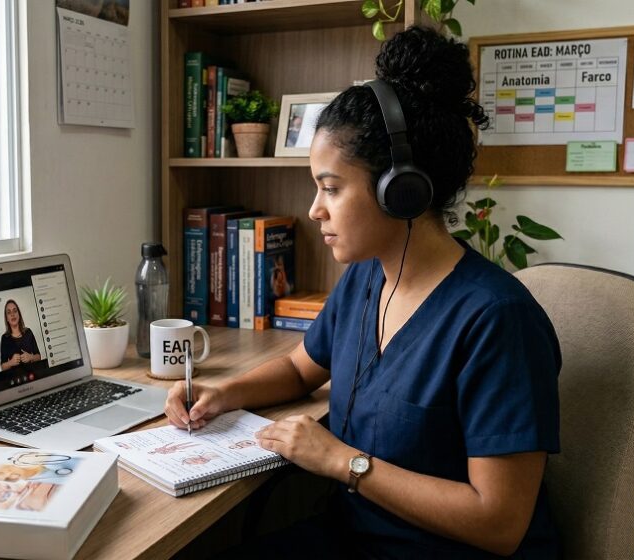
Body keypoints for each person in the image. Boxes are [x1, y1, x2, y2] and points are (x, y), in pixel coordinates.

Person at [164, 26, 560, 559]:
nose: (314, 210)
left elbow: (499, 521)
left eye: (330, 188)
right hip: (354, 537)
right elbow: (302, 369)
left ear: (401, 189)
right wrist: (224, 393)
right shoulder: (366, 277)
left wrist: (343, 462)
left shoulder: (497, 319)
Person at [0, 300, 42, 371]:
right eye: (9, 312)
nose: (12, 314)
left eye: (15, 311)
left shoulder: (28, 332)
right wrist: (11, 362)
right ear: (7, 318)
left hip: (31, 375)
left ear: (19, 314)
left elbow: (39, 356)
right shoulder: (5, 338)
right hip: (15, 379)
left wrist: (31, 357)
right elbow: (3, 366)